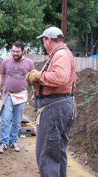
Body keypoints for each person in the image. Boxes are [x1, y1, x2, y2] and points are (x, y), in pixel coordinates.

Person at [26, 26, 77, 177]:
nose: (43, 44)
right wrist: (40, 93)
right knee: (57, 153)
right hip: (62, 105)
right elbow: (65, 82)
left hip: (54, 110)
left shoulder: (60, 55)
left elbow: (61, 78)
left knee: (47, 156)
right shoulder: (63, 54)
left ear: (48, 40)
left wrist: (38, 77)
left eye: (43, 41)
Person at [0, 41, 35, 153]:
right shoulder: (6, 62)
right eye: (13, 51)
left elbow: (34, 80)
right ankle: (3, 142)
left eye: (17, 51)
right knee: (5, 119)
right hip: (8, 94)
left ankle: (13, 141)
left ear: (23, 51)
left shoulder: (29, 63)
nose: (15, 53)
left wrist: (34, 94)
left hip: (21, 95)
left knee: (17, 121)